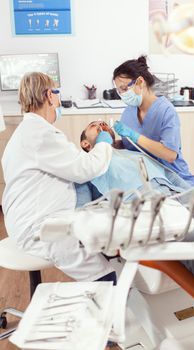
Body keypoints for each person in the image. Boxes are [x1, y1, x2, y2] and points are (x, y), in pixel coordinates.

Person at [79, 120, 194, 317]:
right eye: (95, 126)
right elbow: (82, 210)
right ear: (85, 144)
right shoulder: (86, 167)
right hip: (150, 207)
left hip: (181, 196)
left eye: (104, 125)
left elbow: (171, 176)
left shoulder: (133, 153)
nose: (102, 126)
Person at [1, 72, 117, 284]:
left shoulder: (29, 132)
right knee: (105, 277)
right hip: (39, 227)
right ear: (49, 96)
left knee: (103, 246)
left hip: (25, 218)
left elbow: (73, 166)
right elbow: (86, 168)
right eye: (56, 93)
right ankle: (105, 312)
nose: (58, 100)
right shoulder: (40, 134)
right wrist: (104, 142)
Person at [112, 55, 194, 187]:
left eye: (123, 89)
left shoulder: (166, 111)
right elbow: (133, 147)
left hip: (175, 179)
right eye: (119, 91)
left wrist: (134, 135)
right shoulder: (128, 112)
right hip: (150, 180)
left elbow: (170, 155)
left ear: (140, 82)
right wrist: (112, 144)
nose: (122, 95)